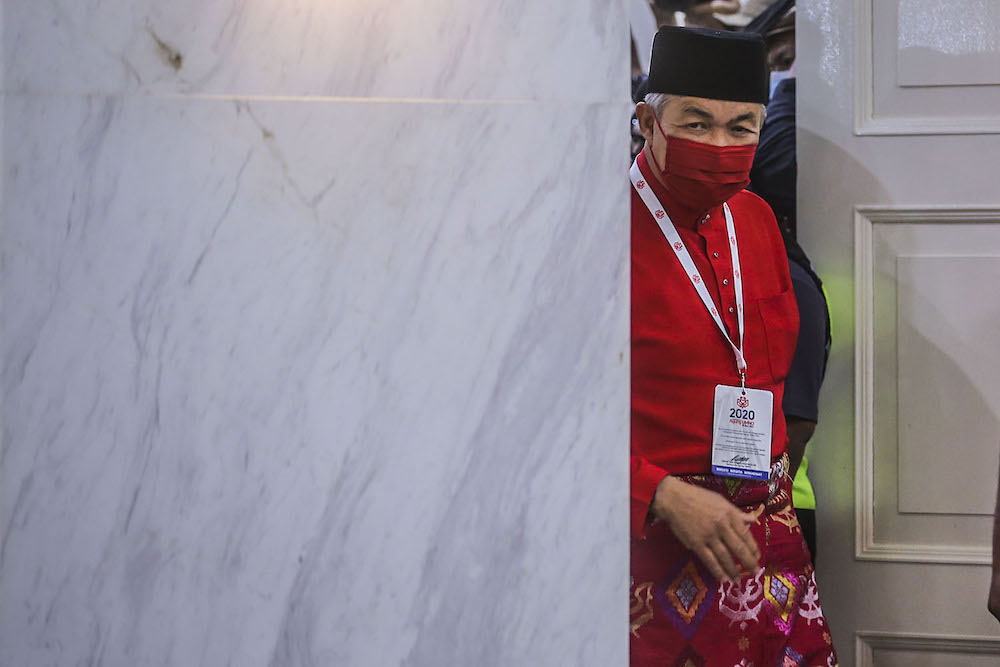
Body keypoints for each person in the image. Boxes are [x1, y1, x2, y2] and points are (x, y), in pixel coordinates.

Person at [630, 26, 838, 665]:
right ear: (648, 123)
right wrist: (658, 492)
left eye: (742, 127)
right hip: (645, 544)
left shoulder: (756, 218)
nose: (720, 146)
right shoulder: (591, 231)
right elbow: (544, 419)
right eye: (696, 123)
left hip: (763, 541)